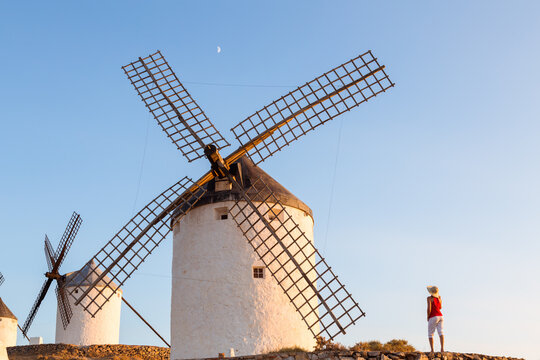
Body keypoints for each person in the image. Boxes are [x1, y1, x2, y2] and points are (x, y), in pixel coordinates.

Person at [426, 285, 444, 352]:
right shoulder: (439, 298)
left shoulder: (429, 298)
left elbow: (429, 309)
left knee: (430, 334)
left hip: (433, 316)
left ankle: (432, 350)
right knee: (441, 332)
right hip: (441, 316)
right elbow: (440, 307)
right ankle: (442, 348)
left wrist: (428, 316)